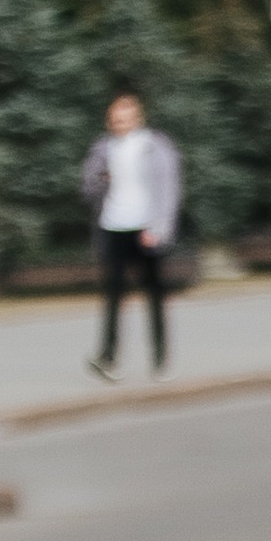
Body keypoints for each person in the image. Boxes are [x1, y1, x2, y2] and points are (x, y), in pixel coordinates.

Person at [81, 91, 183, 381]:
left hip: (146, 228)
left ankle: (160, 358)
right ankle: (108, 358)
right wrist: (99, 180)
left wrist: (160, 227)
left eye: (124, 119)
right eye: (114, 120)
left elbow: (169, 189)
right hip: (113, 226)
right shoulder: (103, 148)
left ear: (138, 118)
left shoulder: (156, 146)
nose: (119, 125)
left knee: (154, 294)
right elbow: (87, 188)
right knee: (113, 295)